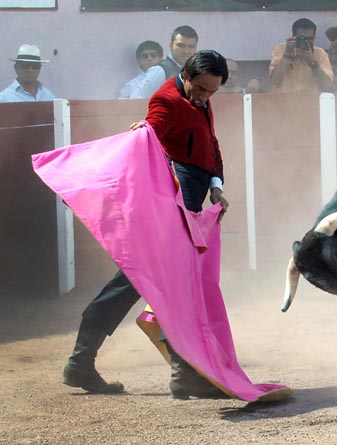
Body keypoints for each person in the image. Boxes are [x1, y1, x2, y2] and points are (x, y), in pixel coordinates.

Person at [62, 49, 230, 400]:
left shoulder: (199, 98)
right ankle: (182, 373)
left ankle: (82, 362)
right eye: (200, 88)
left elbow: (209, 143)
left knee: (141, 281)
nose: (204, 97)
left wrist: (216, 186)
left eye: (211, 92)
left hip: (191, 197)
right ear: (185, 74)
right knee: (168, 283)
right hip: (173, 206)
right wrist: (143, 133)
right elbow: (149, 130)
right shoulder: (166, 99)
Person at [129, 25, 198, 99]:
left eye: (191, 46)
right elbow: (136, 100)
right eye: (181, 45)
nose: (186, 51)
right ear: (171, 46)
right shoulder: (160, 70)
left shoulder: (196, 71)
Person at [269, 18, 333, 93]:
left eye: (310, 39)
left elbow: (326, 86)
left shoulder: (320, 53)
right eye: (302, 39)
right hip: (283, 99)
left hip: (310, 101)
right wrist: (286, 56)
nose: (306, 43)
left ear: (314, 38)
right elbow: (276, 80)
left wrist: (312, 63)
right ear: (293, 37)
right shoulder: (281, 49)